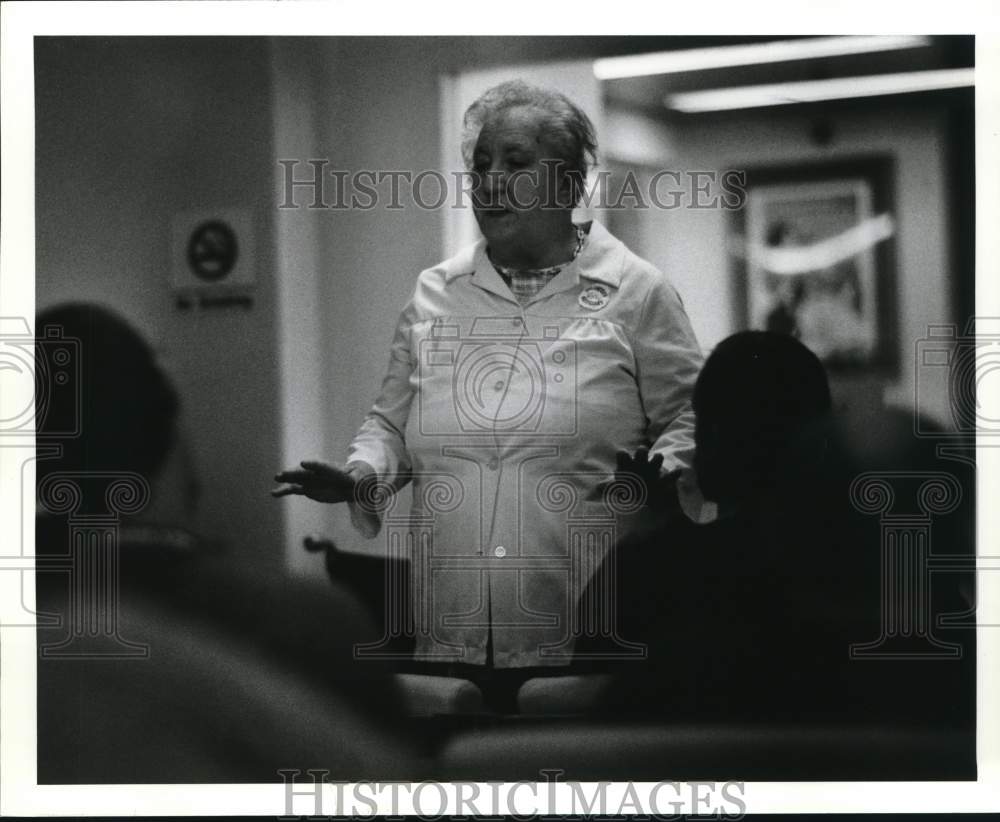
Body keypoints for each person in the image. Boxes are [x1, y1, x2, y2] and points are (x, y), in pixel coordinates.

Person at [273, 80, 704, 710]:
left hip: (588, 629)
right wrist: (363, 473)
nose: (491, 181)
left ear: (570, 185)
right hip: (453, 628)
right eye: (480, 166)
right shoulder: (434, 293)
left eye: (516, 163)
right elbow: (390, 425)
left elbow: (689, 414)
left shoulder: (637, 292)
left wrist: (661, 475)